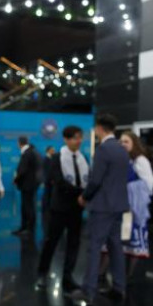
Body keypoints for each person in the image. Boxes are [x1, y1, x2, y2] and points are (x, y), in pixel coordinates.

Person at [78, 114, 130, 303]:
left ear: (100, 128)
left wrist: (84, 197)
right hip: (118, 206)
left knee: (94, 247)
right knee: (116, 247)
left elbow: (95, 180)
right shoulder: (122, 149)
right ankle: (118, 287)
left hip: (102, 207)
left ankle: (88, 291)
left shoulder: (103, 149)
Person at [36, 126, 90, 294]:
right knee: (51, 242)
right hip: (59, 208)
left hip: (77, 209)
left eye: (80, 137)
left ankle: (68, 277)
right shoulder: (57, 158)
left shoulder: (83, 158)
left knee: (74, 244)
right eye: (75, 138)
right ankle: (42, 273)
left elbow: (88, 179)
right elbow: (58, 182)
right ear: (66, 139)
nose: (78, 141)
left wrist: (85, 195)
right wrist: (82, 193)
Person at [119, 131, 153, 268]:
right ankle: (122, 274)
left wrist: (130, 190)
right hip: (123, 207)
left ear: (134, 143)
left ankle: (129, 275)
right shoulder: (123, 159)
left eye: (126, 141)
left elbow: (149, 183)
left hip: (135, 209)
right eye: (121, 141)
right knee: (124, 239)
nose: (123, 144)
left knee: (133, 241)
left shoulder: (140, 160)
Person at [12, 135, 42, 236]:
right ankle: (26, 227)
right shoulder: (31, 151)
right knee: (28, 206)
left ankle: (28, 228)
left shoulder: (27, 153)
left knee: (28, 207)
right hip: (30, 184)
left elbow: (22, 170)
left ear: (19, 143)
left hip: (28, 185)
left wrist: (16, 179)